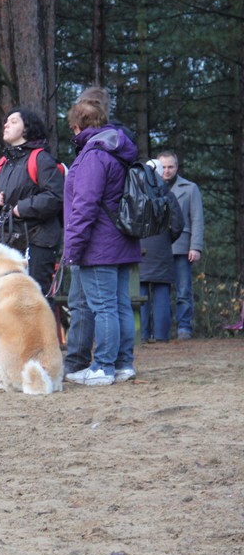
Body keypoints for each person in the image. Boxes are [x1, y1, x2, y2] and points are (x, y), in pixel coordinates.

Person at [62, 98, 141, 386]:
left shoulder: (93, 155)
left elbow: (84, 207)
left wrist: (72, 248)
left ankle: (102, 368)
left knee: (105, 307)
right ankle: (123, 364)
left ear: (76, 126)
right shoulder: (118, 150)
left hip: (99, 245)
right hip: (121, 240)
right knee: (119, 305)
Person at [0, 108, 64, 295]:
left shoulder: (41, 158)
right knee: (9, 295)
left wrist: (22, 209)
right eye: (6, 121)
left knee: (37, 298)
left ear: (26, 129)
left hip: (39, 242)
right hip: (10, 240)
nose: (6, 124)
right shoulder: (4, 162)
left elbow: (55, 196)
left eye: (14, 121)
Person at [157, 151, 204, 340]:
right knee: (161, 292)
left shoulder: (190, 188)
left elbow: (197, 219)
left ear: (176, 167)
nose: (167, 171)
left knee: (184, 290)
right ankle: (162, 331)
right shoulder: (151, 188)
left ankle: (184, 328)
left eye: (171, 167)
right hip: (158, 248)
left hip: (183, 247)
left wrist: (196, 247)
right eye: (164, 167)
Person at [140, 159, 185, 342]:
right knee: (161, 294)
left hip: (140, 248)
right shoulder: (168, 194)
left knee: (140, 293)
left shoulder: (136, 193)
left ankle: (141, 335)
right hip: (162, 248)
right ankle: (160, 337)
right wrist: (167, 239)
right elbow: (178, 224)